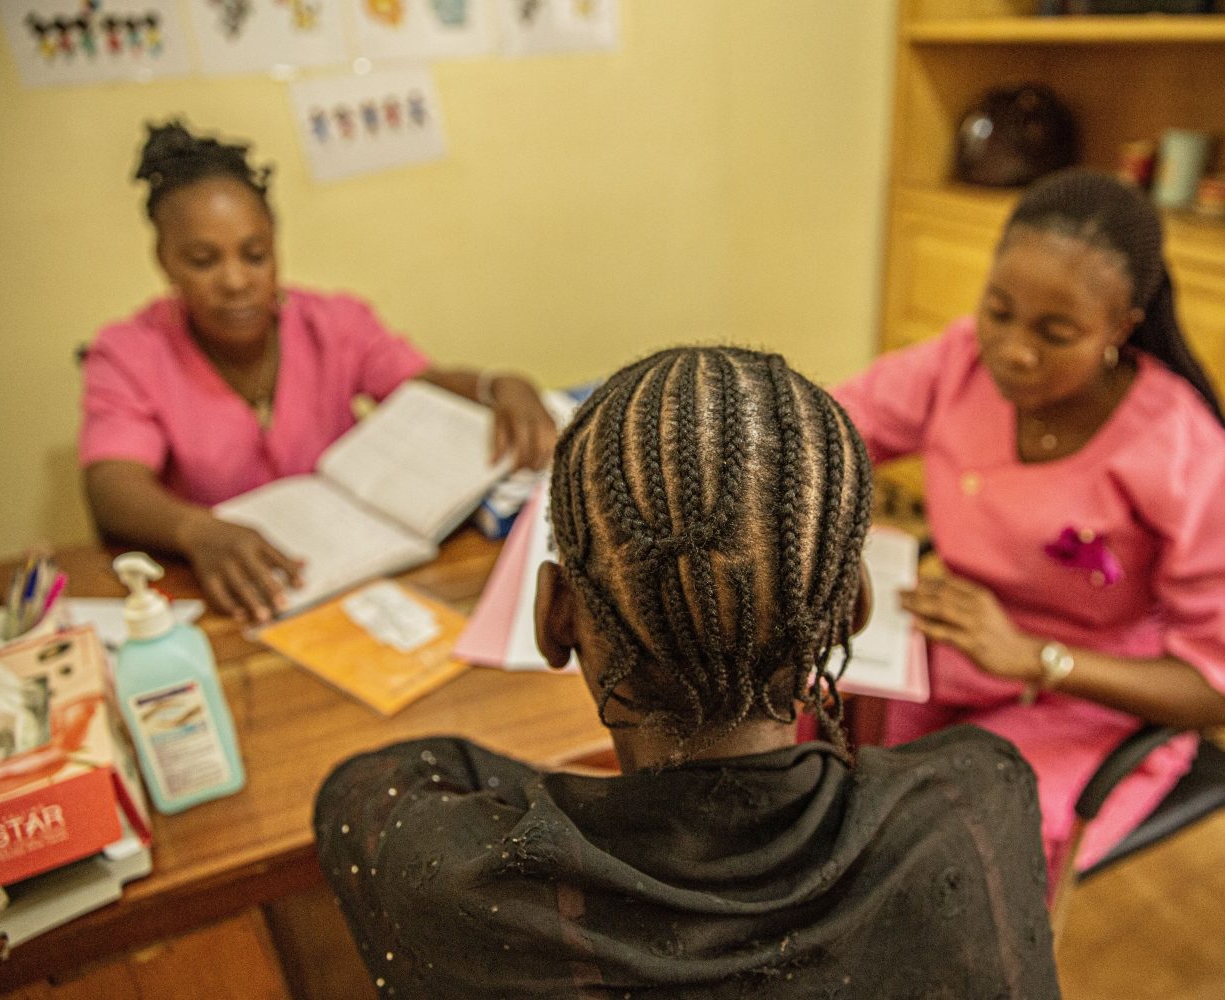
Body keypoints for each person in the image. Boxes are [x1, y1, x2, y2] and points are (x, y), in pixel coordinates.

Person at [315, 347, 1061, 999]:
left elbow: (372, 784)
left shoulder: (455, 885)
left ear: (554, 618)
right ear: (852, 611)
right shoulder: (975, 806)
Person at [833, 170, 1225, 883]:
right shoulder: (959, 363)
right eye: (998, 311)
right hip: (962, 638)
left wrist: (1038, 658)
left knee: (945, 855)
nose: (1012, 350)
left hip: (1097, 694)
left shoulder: (1178, 452)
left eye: (1056, 332)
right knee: (820, 752)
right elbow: (828, 431)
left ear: (1121, 327)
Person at [80, 120, 557, 623]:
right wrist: (196, 531)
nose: (236, 280)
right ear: (164, 260)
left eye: (255, 254)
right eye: (203, 260)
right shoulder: (130, 353)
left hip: (361, 584)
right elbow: (112, 486)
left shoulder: (334, 323)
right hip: (235, 597)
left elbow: (421, 383)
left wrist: (501, 385)